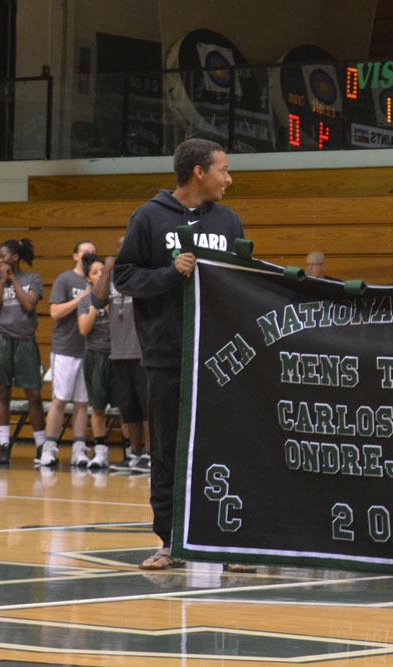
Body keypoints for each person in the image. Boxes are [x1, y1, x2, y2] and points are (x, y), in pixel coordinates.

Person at [114, 138, 245, 570]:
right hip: (167, 354)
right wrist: (170, 274)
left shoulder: (228, 222)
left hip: (218, 358)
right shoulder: (149, 217)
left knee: (224, 446)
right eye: (223, 170)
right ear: (198, 173)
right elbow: (125, 276)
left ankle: (227, 541)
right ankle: (169, 540)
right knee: (167, 449)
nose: (229, 178)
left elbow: (245, 280)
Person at [0, 239, 47, 464]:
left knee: (35, 395)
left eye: (3, 257)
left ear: (15, 258)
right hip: (0, 339)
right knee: (2, 392)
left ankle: (41, 445)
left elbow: (29, 306)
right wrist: (2, 282)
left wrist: (12, 279)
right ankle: (3, 444)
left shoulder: (33, 279)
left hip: (25, 341)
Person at [95, 240, 150, 474]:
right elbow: (97, 300)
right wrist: (106, 271)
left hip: (142, 351)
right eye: (117, 247)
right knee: (128, 408)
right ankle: (135, 454)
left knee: (147, 407)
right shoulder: (112, 275)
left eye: (124, 246)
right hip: (118, 352)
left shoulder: (144, 271)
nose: (119, 250)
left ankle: (150, 455)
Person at [41, 240, 96, 467]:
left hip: (88, 349)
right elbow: (55, 312)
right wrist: (82, 297)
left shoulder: (97, 280)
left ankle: (79, 449)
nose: (88, 256)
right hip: (65, 349)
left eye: (92, 253)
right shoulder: (65, 279)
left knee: (82, 402)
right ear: (75, 256)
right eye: (84, 253)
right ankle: (49, 448)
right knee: (60, 400)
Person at [77, 253, 115, 469]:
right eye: (95, 272)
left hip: (118, 355)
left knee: (126, 407)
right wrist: (95, 303)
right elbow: (83, 329)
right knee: (98, 406)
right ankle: (100, 451)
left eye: (103, 270)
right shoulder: (84, 301)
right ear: (89, 278)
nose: (100, 274)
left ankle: (132, 450)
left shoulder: (119, 297)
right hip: (95, 355)